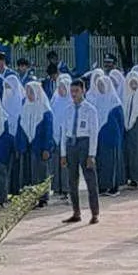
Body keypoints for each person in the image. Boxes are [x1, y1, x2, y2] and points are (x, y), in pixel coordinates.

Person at [58, 77, 101, 225]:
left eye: (76, 91)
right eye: (72, 91)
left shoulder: (90, 109)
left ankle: (95, 213)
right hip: (71, 144)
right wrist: (63, 154)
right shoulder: (68, 109)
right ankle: (76, 212)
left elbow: (94, 133)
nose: (74, 94)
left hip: (85, 143)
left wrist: (92, 154)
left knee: (90, 180)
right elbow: (63, 132)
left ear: (83, 91)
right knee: (72, 180)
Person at [19, 81, 54, 208]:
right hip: (27, 146)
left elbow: (49, 131)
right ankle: (30, 197)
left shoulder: (45, 109)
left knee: (40, 172)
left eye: (31, 91)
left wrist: (47, 148)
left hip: (39, 146)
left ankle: (43, 197)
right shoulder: (25, 106)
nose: (29, 94)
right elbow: (20, 126)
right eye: (27, 91)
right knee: (28, 172)